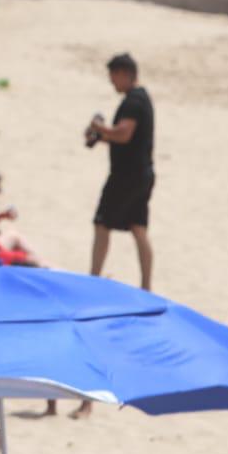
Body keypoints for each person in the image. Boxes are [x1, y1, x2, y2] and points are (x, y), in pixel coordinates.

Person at [87, 53, 155, 286]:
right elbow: (129, 138)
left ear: (124, 74)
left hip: (126, 175)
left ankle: (94, 278)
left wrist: (99, 128)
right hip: (141, 173)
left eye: (113, 76)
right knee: (138, 227)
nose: (112, 82)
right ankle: (146, 284)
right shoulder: (141, 98)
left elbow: (124, 134)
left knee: (102, 223)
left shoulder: (134, 101)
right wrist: (103, 137)